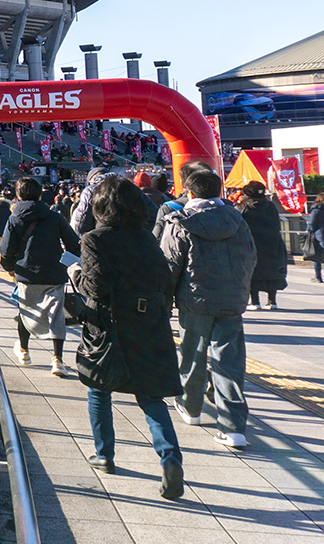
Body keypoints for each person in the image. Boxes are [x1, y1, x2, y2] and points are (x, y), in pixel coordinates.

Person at [72, 176, 184, 497]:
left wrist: (75, 274)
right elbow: (164, 280)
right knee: (150, 396)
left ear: (100, 206)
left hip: (108, 326)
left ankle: (104, 454)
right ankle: (170, 458)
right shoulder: (146, 238)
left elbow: (97, 288)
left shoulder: (94, 239)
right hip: (148, 322)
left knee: (99, 388)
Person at [160, 167, 256, 450]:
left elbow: (169, 266)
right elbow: (251, 257)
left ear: (189, 193)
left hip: (195, 300)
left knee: (193, 353)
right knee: (230, 362)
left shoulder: (180, 222)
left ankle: (191, 408)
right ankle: (234, 427)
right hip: (231, 301)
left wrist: (166, 301)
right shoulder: (237, 219)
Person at [0, 176, 79, 376]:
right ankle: (57, 360)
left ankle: (24, 351)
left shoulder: (15, 217)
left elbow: (6, 249)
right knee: (56, 315)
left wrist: (10, 267)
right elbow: (74, 244)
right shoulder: (54, 217)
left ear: (18, 195)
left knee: (26, 312)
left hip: (26, 274)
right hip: (53, 274)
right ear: (39, 193)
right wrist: (65, 264)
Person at [237, 181, 288, 310]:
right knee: (271, 272)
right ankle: (272, 301)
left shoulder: (243, 207)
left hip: (251, 245)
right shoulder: (270, 206)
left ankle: (255, 301)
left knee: (253, 272)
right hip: (272, 244)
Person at [309, 193, 324, 283]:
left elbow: (312, 224)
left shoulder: (316, 210)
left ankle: (318, 276)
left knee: (317, 256)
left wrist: (310, 231)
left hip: (319, 235)